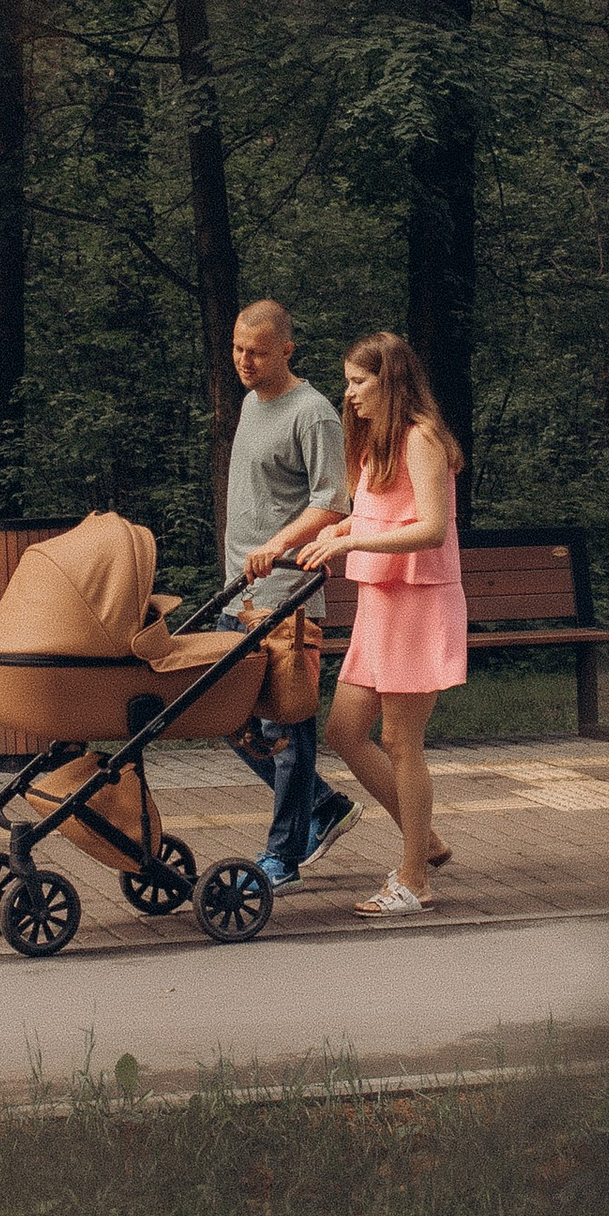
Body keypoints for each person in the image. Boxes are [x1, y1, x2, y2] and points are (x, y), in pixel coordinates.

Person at [294, 327, 465, 919]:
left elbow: (432, 529)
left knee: (399, 741)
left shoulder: (422, 439)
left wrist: (350, 541)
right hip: (382, 602)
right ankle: (425, 838)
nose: (349, 394)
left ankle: (415, 879)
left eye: (358, 381)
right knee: (344, 731)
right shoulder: (375, 444)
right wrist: (338, 530)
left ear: (389, 381)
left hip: (417, 603)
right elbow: (378, 512)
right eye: (347, 382)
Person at [223, 301, 359, 890]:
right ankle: (322, 807)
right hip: (239, 594)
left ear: (286, 350)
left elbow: (333, 503)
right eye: (237, 349)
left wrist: (276, 545)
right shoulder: (251, 403)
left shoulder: (314, 414)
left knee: (287, 728)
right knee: (224, 715)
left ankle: (282, 857)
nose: (244, 361)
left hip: (288, 594)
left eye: (256, 351)